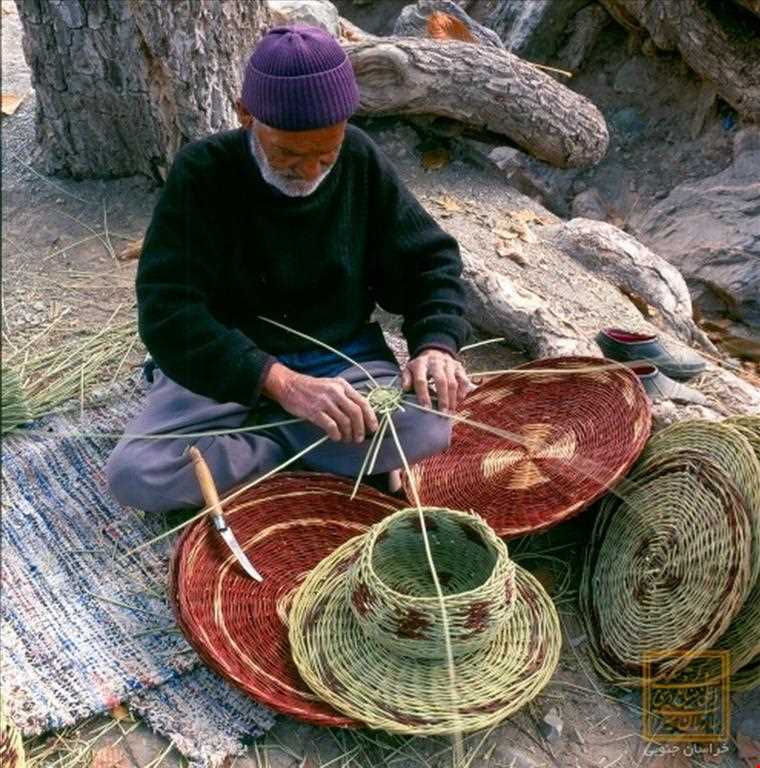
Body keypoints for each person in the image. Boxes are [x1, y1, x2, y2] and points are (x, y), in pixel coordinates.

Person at [106, 24, 474, 513]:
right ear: (245, 116)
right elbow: (168, 312)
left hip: (338, 362)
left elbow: (429, 260)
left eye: (326, 153)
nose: (309, 172)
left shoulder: (360, 158)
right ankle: (307, 448)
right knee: (138, 475)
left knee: (429, 426)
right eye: (288, 154)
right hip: (229, 367)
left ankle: (265, 449)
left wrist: (435, 344)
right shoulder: (202, 173)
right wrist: (283, 386)